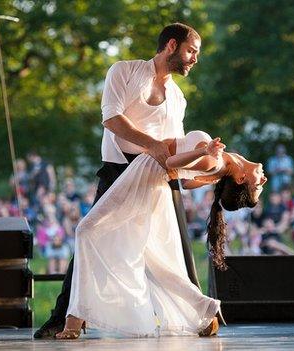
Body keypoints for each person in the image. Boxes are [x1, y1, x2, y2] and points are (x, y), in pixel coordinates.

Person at [33, 23, 202, 339]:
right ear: (171, 45)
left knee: (174, 249)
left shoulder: (178, 98)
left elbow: (175, 148)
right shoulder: (123, 71)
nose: (194, 59)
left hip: (156, 180)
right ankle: (64, 318)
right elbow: (111, 118)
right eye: (191, 51)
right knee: (90, 237)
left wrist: (198, 177)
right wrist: (151, 145)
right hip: (118, 172)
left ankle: (201, 314)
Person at [59, 130, 266, 338]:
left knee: (86, 230)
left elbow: (170, 163)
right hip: (154, 183)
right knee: (155, 258)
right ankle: (202, 308)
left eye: (257, 186)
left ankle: (75, 318)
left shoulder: (214, 161)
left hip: (145, 176)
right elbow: (185, 180)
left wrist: (204, 151)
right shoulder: (223, 163)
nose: (264, 180)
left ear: (241, 179)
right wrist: (209, 177)